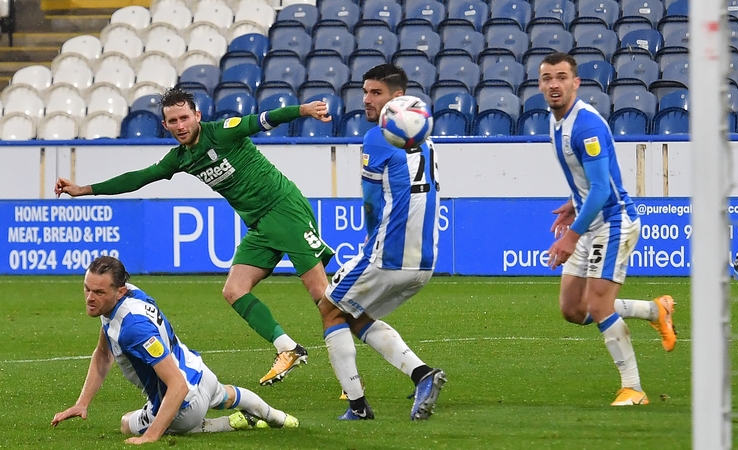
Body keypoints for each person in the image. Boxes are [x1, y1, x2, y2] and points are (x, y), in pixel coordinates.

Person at [54, 88, 335, 386]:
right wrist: (84, 189)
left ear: (197, 116)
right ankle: (287, 348)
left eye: (185, 118)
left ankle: (351, 379)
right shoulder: (181, 157)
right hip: (259, 224)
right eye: (173, 121)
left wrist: (303, 110)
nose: (180, 126)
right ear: (165, 125)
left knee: (323, 296)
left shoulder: (223, 132)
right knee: (234, 290)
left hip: (284, 211)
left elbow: (265, 119)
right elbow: (138, 178)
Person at [538, 53, 677, 406]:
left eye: (561, 77)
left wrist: (571, 235)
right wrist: (574, 203)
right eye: (547, 78)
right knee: (573, 310)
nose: (554, 84)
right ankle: (654, 311)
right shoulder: (556, 120)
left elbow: (602, 189)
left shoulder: (586, 126)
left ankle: (633, 388)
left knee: (599, 306)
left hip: (613, 223)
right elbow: (589, 183)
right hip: (591, 221)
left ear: (576, 82)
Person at [315, 64, 446, 421]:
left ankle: (358, 407)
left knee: (329, 309)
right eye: (365, 92)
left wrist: (371, 243)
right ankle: (422, 376)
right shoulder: (427, 139)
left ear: (398, 99)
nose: (367, 100)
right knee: (353, 314)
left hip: (388, 255)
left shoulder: (377, 138)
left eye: (376, 93)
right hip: (424, 261)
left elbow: (371, 204)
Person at [51, 256, 299, 444]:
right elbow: (103, 354)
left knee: (127, 423)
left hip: (183, 404)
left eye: (98, 292)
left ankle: (223, 425)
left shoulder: (133, 329)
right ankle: (277, 417)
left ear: (119, 291)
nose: (90, 297)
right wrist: (82, 403)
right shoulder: (126, 296)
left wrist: (151, 436)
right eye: (87, 288)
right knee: (226, 396)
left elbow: (177, 386)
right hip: (201, 373)